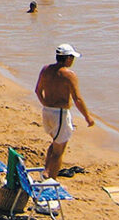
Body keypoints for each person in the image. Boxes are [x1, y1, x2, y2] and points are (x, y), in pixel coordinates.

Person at [35, 44, 94, 179]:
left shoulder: (45, 69)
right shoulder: (69, 75)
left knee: (55, 143)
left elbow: (38, 91)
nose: (73, 60)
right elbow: (77, 98)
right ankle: (51, 180)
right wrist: (87, 117)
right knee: (59, 151)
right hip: (60, 114)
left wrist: (45, 104)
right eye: (72, 57)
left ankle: (46, 172)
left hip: (47, 112)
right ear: (67, 58)